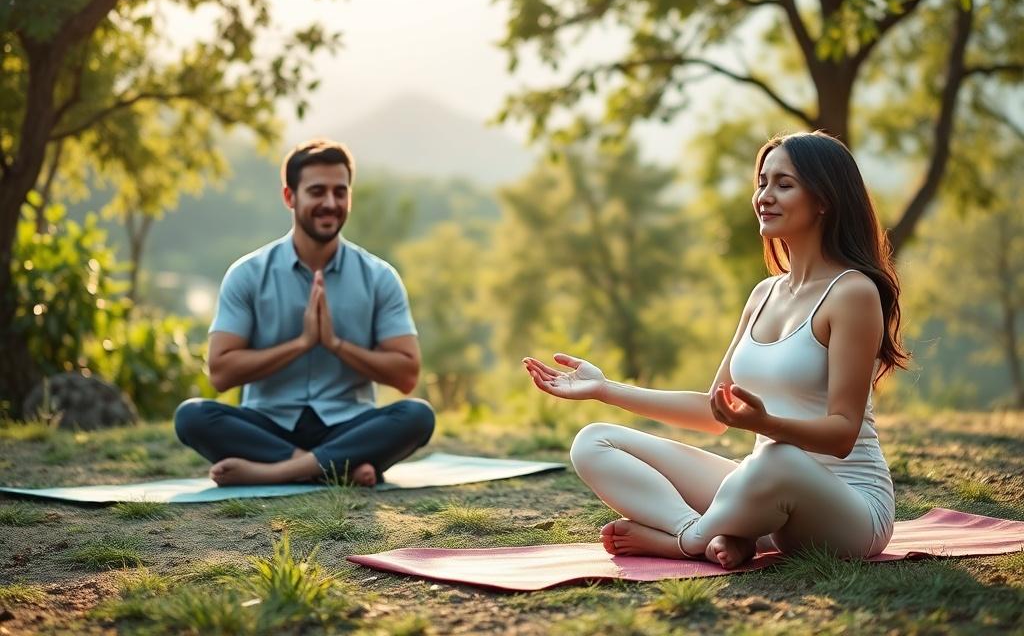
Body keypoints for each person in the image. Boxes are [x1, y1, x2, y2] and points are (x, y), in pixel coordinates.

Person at [523, 131, 908, 569]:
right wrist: (604, 388)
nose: (764, 196)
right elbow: (712, 413)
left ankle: (682, 541)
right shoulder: (764, 294)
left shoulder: (852, 292)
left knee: (776, 457)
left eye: (784, 184)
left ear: (824, 199)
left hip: (850, 511)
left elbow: (842, 435)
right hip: (763, 489)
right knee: (594, 441)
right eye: (762, 182)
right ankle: (712, 534)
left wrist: (765, 423)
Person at [174, 139, 434, 487]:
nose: (330, 203)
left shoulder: (379, 277)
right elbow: (220, 373)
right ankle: (338, 469)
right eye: (317, 191)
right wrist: (303, 343)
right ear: (289, 197)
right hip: (268, 427)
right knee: (191, 416)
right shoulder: (248, 274)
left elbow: (406, 375)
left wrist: (335, 343)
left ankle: (279, 472)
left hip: (348, 427)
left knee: (417, 416)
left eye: (340, 192)